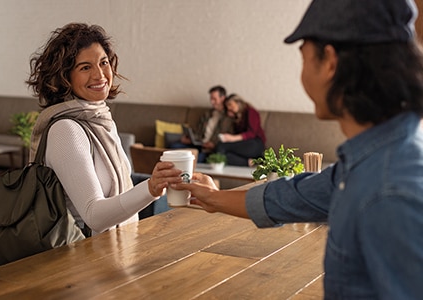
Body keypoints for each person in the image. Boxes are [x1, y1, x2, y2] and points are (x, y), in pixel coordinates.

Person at [174, 0, 423, 298]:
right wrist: (213, 197)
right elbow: (294, 195)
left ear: (330, 62)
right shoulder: (367, 162)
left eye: (303, 58)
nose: (302, 73)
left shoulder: (389, 191)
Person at [26, 23, 182, 235]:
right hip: (79, 259)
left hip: (116, 250)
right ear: (64, 77)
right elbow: (94, 216)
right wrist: (151, 188)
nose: (100, 75)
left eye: (103, 62)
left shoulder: (101, 120)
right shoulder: (65, 130)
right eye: (85, 67)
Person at [171, 85, 233, 162]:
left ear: (222, 98)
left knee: (197, 158)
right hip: (199, 144)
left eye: (214, 99)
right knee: (174, 146)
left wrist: (214, 144)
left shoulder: (228, 117)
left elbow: (228, 136)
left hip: (210, 149)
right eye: (211, 99)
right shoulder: (207, 114)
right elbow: (198, 130)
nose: (212, 102)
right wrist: (190, 139)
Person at [217, 94, 266, 166]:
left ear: (238, 103)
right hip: (243, 145)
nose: (229, 108)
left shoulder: (251, 111)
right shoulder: (236, 117)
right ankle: (251, 162)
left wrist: (232, 138)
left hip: (255, 144)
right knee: (222, 154)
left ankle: (256, 159)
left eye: (230, 105)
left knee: (221, 147)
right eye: (227, 107)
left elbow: (252, 133)